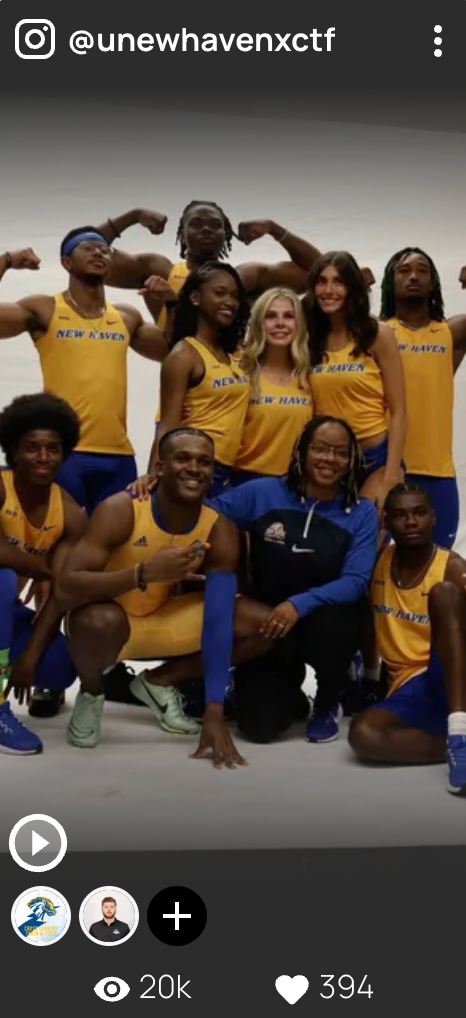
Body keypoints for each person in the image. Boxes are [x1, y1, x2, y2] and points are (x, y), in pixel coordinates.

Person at [55, 428, 247, 769]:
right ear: (159, 467)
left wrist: (213, 710)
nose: (194, 468)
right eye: (183, 458)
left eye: (204, 461)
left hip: (163, 622)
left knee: (261, 622)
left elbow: (219, 619)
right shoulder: (121, 509)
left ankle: (160, 682)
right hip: (112, 626)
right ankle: (92, 691)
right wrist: (142, 574)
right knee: (97, 620)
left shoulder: (219, 529)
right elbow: (66, 587)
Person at [203, 416, 378, 744]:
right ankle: (285, 690)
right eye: (320, 448)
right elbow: (205, 514)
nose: (330, 459)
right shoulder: (263, 493)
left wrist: (298, 605)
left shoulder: (361, 511)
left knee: (342, 620)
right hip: (269, 623)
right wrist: (152, 487)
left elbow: (356, 580)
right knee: (259, 728)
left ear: (351, 460)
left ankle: (327, 700)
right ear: (301, 451)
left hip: (323, 619)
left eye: (341, 452)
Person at [0, 234, 168, 516]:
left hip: (118, 455)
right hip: (64, 454)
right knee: (58, 536)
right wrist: (7, 260)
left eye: (104, 249)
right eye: (87, 248)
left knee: (114, 540)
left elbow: (173, 352)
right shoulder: (45, 309)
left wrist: (165, 305)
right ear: (67, 262)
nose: (98, 252)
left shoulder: (126, 317)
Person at [349, 483, 466, 796]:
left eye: (419, 513)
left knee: (444, 594)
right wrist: (370, 679)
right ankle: (451, 742)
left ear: (433, 518)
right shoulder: (377, 562)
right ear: (387, 522)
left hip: (451, 674)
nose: (411, 521)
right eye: (400, 515)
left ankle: (459, 736)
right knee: (363, 734)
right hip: (410, 685)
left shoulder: (452, 567)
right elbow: (370, 624)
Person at [0, 393, 86, 752]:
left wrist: (29, 659)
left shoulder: (70, 513)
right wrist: (44, 570)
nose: (43, 457)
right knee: (3, 577)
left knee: (59, 665)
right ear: (14, 451)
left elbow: (62, 592)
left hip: (4, 611)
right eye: (32, 448)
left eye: (53, 448)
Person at [96, 203, 324, 328]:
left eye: (215, 225)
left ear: (226, 236)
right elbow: (83, 253)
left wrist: (274, 229)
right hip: (182, 386)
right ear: (182, 236)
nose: (206, 228)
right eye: (196, 224)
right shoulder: (160, 271)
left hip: (236, 388)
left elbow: (320, 273)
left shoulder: (244, 278)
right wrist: (132, 216)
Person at [305, 252, 407, 516]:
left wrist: (391, 476)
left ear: (352, 287)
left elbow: (399, 412)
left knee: (366, 527)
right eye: (322, 281)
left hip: (375, 458)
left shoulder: (377, 334)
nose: (329, 290)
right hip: (328, 460)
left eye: (338, 281)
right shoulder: (308, 338)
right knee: (331, 536)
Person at [379, 247, 466, 548]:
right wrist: (351, 282)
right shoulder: (377, 333)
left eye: (422, 270)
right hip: (386, 470)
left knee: (438, 565)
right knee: (377, 564)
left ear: (433, 281)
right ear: (390, 281)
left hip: (437, 472)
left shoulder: (452, 332)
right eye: (404, 271)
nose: (413, 276)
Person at [140, 262, 251, 496]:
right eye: (220, 293)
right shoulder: (184, 355)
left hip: (227, 472)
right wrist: (153, 477)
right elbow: (167, 424)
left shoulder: (234, 353)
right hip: (194, 469)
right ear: (195, 298)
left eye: (234, 296)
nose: (230, 302)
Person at [232, 287, 313, 484]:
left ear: (299, 324)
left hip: (294, 484)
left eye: (289, 316)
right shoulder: (239, 369)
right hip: (244, 482)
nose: (280, 323)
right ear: (258, 323)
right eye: (270, 316)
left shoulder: (310, 375)